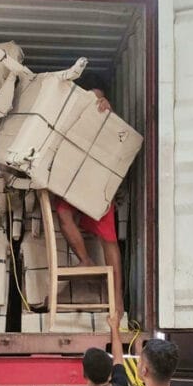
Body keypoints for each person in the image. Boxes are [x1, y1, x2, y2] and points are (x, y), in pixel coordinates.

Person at [54, 74, 124, 318]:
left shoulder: (108, 114)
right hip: (76, 178)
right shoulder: (72, 115)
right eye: (90, 98)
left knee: (109, 240)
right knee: (63, 214)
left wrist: (109, 114)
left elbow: (119, 141)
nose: (95, 103)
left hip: (100, 181)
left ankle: (118, 301)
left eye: (99, 98)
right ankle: (85, 260)